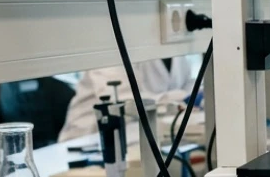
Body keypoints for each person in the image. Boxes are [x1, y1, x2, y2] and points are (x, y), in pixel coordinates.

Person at [58, 58, 198, 142]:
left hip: (142, 137)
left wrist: (194, 95)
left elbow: (187, 83)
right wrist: (184, 98)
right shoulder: (114, 39)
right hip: (87, 140)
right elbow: (123, 98)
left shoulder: (173, 41)